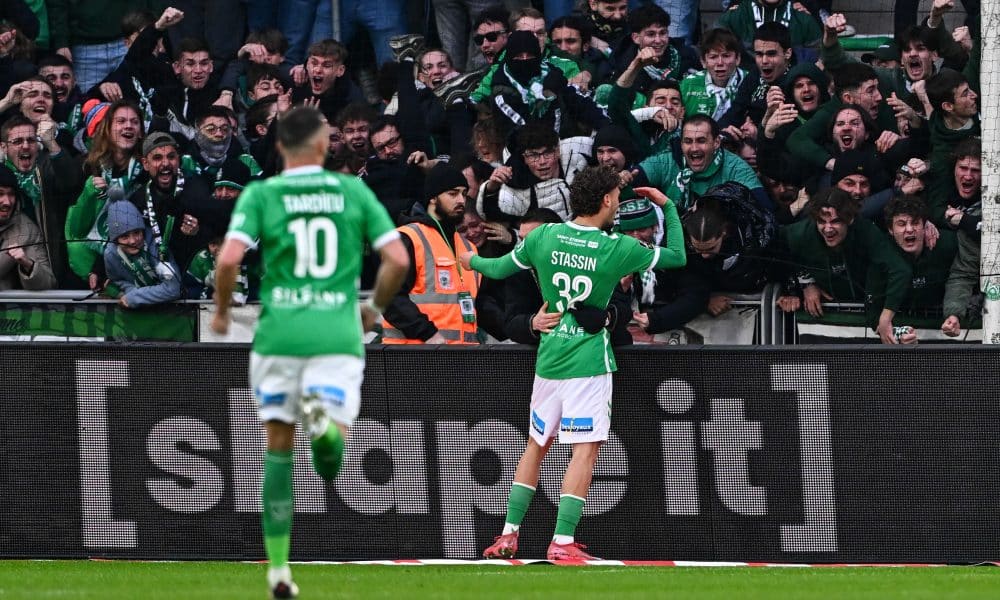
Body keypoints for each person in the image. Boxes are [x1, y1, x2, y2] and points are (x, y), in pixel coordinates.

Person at [210, 106, 409, 599]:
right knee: (328, 463)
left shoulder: (261, 193)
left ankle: (278, 570)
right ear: (324, 146)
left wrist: (220, 312)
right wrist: (375, 306)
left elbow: (229, 258)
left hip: (278, 335)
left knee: (277, 451)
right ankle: (323, 426)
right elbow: (398, 257)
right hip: (335, 334)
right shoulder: (352, 190)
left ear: (279, 147)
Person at [460, 165, 686, 561]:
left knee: (535, 445)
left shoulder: (544, 235)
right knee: (585, 449)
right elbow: (679, 257)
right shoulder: (617, 247)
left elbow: (497, 269)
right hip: (587, 361)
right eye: (616, 196)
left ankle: (508, 535)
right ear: (605, 200)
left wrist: (470, 261)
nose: (618, 203)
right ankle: (562, 541)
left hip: (549, 359)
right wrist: (667, 207)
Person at [382, 163, 486, 344]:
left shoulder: (468, 247)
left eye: (463, 193)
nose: (461, 200)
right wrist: (428, 334)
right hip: (413, 357)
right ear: (433, 198)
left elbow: (482, 304)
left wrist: (529, 326)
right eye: (452, 194)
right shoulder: (409, 237)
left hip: (462, 359)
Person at [103, 199, 182, 307]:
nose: (133, 241)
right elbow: (117, 280)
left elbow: (173, 289)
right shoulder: (110, 254)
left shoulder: (158, 246)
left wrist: (134, 297)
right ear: (116, 241)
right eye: (125, 236)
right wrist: (129, 290)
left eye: (136, 233)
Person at [0, 165, 57, 290]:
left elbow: (48, 282)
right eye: (0, 194)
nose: (7, 202)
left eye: (11, 194)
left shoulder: (26, 229)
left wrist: (28, 265)